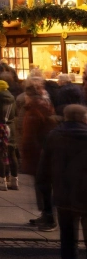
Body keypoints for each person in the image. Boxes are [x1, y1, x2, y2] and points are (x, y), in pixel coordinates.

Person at [37, 104, 87, 259]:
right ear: (84, 117)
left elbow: (43, 168)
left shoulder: (54, 135)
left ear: (66, 117)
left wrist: (45, 192)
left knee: (67, 238)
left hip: (63, 193)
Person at [20, 79, 58, 231]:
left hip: (39, 155)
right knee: (43, 187)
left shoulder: (35, 110)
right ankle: (46, 214)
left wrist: (28, 152)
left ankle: (49, 218)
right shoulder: (43, 107)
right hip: (41, 153)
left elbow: (31, 137)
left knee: (44, 187)